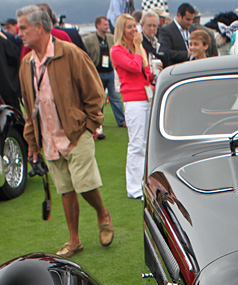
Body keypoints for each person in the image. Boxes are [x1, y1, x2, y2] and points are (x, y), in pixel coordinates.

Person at [17, 5, 112, 258]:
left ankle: (102, 213)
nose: (20, 33)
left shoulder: (70, 53)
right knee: (65, 190)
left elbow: (94, 93)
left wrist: (91, 125)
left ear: (40, 28)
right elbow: (29, 107)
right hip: (48, 137)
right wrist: (32, 144)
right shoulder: (26, 63)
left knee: (83, 184)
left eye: (23, 28)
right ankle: (74, 240)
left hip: (76, 132)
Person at [112, 13, 156, 200]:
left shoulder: (138, 49)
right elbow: (134, 67)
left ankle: (144, 182)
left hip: (147, 97)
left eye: (134, 25)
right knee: (137, 144)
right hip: (134, 101)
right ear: (122, 29)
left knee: (147, 143)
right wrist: (138, 47)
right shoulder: (117, 51)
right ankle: (133, 187)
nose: (134, 29)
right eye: (129, 26)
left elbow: (145, 72)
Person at [83, 15, 125, 135]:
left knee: (115, 97)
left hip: (111, 72)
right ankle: (98, 122)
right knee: (98, 99)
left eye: (107, 24)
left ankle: (121, 121)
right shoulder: (89, 40)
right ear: (98, 25)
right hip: (98, 72)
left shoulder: (111, 38)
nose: (107, 26)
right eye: (105, 24)